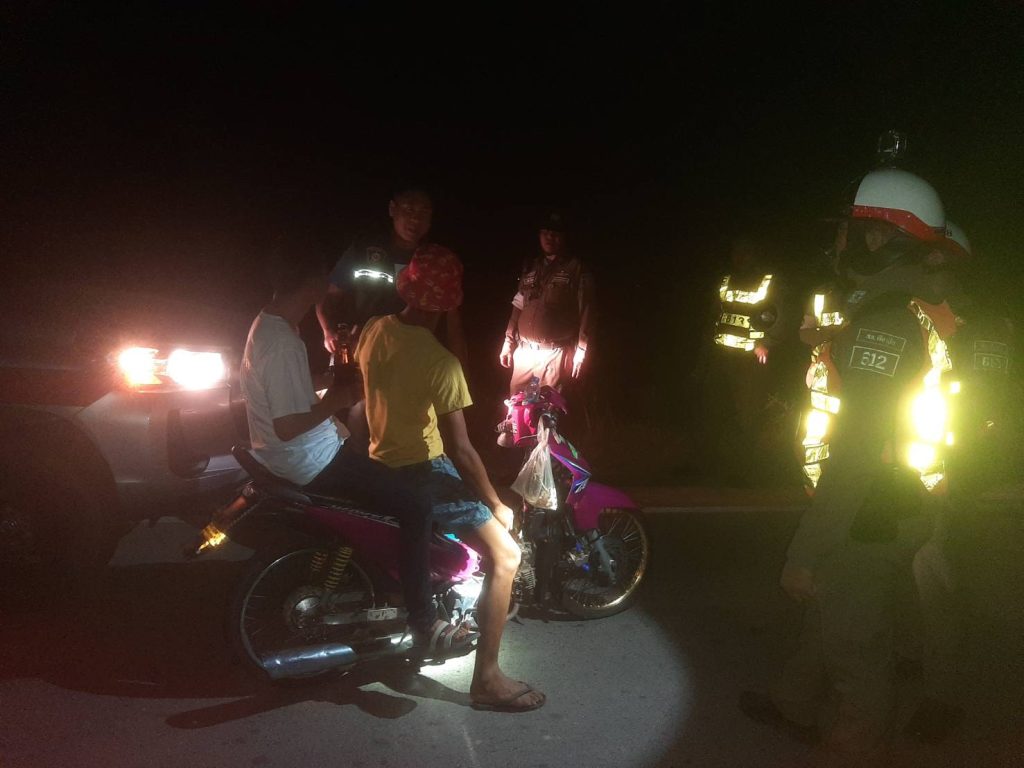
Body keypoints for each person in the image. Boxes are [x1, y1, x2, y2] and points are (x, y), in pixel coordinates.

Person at [741, 167, 963, 757]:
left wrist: (803, 553)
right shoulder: (898, 308)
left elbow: (858, 452)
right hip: (888, 499)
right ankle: (792, 701)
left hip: (870, 510)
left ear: (878, 238)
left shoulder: (885, 323)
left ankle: (855, 749)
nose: (839, 242)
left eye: (849, 231)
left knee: (856, 655)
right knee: (833, 611)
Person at [239, 239, 473, 655]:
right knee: (416, 505)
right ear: (311, 282)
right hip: (308, 458)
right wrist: (338, 400)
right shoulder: (282, 342)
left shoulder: (270, 325)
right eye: (323, 276)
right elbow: (287, 425)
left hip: (296, 450)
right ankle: (424, 621)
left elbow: (288, 396)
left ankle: (382, 581)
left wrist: (331, 383)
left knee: (379, 483)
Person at [356, 243, 546, 712]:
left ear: (407, 288)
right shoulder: (441, 362)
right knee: (507, 555)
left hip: (378, 465)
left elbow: (366, 401)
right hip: (424, 471)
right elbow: (461, 450)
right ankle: (488, 679)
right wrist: (496, 503)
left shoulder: (374, 330)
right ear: (448, 304)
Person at [317, 186, 468, 451]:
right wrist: (328, 330)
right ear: (392, 209)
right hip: (362, 349)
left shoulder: (434, 260)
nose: (415, 219)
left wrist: (459, 364)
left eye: (423, 212)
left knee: (407, 420)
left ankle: (392, 463)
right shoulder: (364, 249)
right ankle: (355, 461)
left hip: (411, 358)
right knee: (358, 409)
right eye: (408, 209)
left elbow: (452, 316)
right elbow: (328, 294)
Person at [702, 236, 797, 485]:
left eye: (746, 252)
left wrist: (767, 344)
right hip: (723, 356)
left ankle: (748, 471)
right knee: (719, 411)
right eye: (737, 252)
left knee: (748, 415)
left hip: (751, 361)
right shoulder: (725, 281)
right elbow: (714, 315)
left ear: (755, 255)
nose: (740, 257)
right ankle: (714, 466)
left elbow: (779, 317)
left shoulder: (768, 283)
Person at [500, 210, 594, 395]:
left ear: (564, 237)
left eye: (555, 233)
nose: (549, 237)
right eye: (545, 232)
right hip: (525, 353)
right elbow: (518, 305)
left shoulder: (576, 268)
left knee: (547, 407)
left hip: (554, 354)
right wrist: (508, 342)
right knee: (516, 405)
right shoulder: (531, 266)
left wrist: (582, 350)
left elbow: (587, 310)